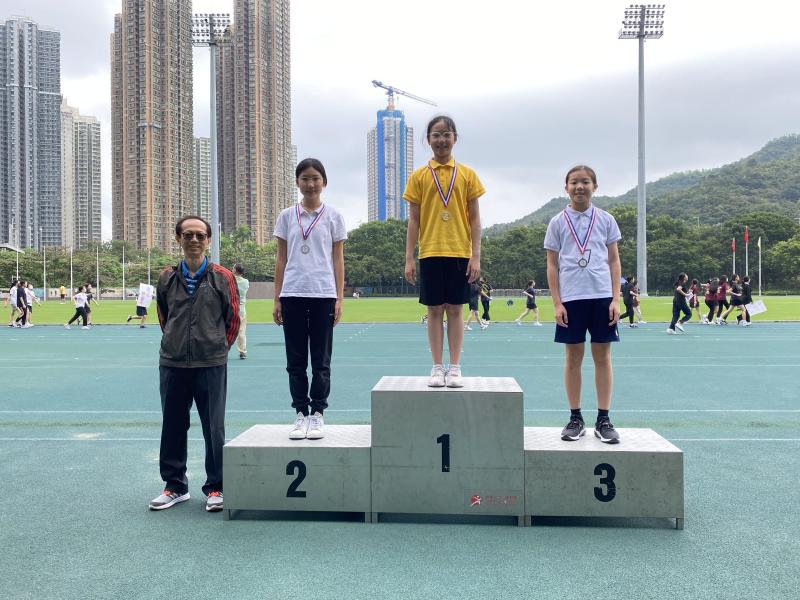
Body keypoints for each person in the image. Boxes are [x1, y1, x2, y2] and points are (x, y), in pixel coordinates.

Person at [149, 215, 240, 513]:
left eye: (200, 235)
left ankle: (216, 486)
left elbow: (233, 318)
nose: (194, 240)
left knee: (213, 427)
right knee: (173, 425)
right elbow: (165, 317)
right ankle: (175, 486)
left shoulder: (222, 277)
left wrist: (216, 348)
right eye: (188, 235)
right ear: (178, 239)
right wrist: (176, 343)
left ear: (209, 241)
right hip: (173, 362)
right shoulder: (167, 278)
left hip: (210, 362)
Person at [403, 115, 484, 388]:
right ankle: (437, 367)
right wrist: (409, 258)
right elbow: (413, 220)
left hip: (460, 251)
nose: (441, 139)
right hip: (430, 252)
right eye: (436, 135)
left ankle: (456, 366)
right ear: (428, 140)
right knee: (435, 310)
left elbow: (474, 219)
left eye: (446, 134)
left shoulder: (467, 175)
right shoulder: (419, 176)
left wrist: (476, 256)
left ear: (455, 138)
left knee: (457, 310)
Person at [544, 165, 622, 444]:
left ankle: (604, 418)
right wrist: (556, 303)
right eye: (574, 182)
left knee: (603, 358)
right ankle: (575, 417)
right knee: (573, 359)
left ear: (595, 187)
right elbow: (552, 265)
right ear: (566, 187)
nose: (580, 186)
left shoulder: (606, 219)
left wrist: (615, 298)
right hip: (571, 299)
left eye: (585, 182)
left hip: (601, 297)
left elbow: (614, 261)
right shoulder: (557, 222)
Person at [273, 159, 346, 440]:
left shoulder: (333, 216)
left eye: (315, 178)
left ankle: (318, 414)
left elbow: (338, 259)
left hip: (323, 294)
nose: (311, 183)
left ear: (324, 182)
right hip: (292, 293)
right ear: (297, 182)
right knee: (295, 360)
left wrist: (339, 297)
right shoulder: (286, 216)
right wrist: (277, 298)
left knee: (321, 360)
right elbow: (281, 258)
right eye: (305, 178)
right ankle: (300, 413)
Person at [232, 264, 250, 359]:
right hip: (241, 309)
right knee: (241, 331)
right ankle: (242, 351)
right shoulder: (246, 282)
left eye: (233, 268)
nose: (232, 269)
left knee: (225, 330)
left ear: (235, 270)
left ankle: (221, 350)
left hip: (231, 308)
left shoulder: (230, 280)